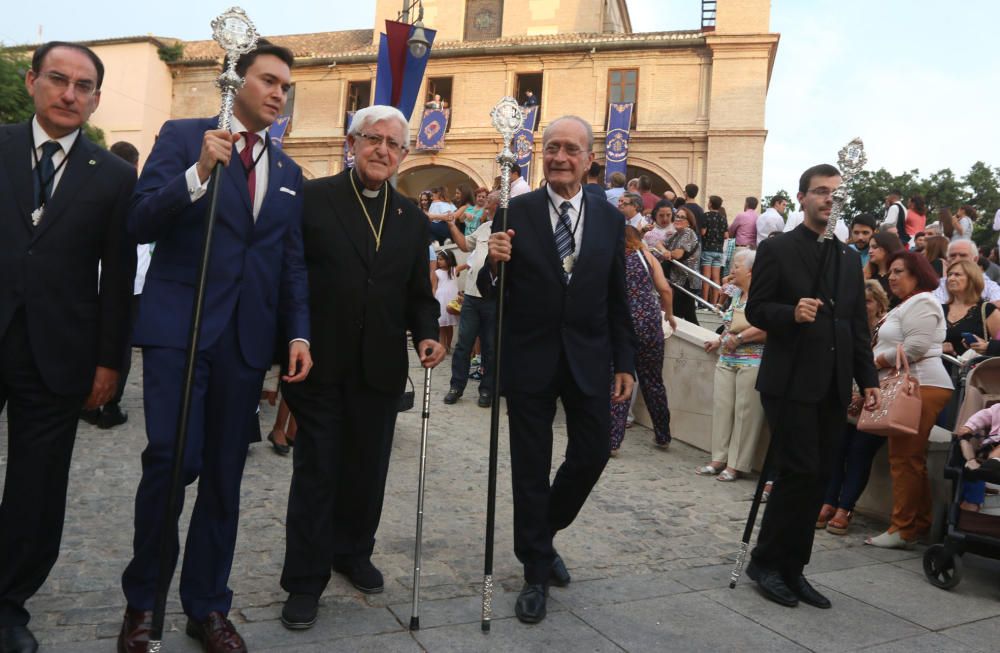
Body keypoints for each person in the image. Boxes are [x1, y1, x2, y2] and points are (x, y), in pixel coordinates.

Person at [118, 40, 311, 653]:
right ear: (238, 82)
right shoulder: (183, 137)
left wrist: (297, 332)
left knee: (225, 478)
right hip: (182, 329)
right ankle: (143, 604)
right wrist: (198, 173)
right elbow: (141, 220)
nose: (279, 93)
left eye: (286, 86)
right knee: (171, 463)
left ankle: (208, 605)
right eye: (269, 81)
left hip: (246, 344)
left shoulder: (287, 173)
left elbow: (290, 264)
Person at [278, 105, 444, 630]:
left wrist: (425, 337)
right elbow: (292, 276)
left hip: (379, 369)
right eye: (373, 139)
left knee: (367, 471)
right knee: (318, 472)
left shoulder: (412, 219)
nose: (382, 151)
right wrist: (291, 337)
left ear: (403, 155)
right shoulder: (314, 200)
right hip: (321, 364)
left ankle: (352, 551)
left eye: (394, 145)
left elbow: (419, 294)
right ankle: (305, 580)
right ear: (351, 143)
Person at [0, 41, 136, 653]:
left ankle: (8, 604)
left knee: (37, 487)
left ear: (96, 99)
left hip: (58, 355)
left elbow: (118, 277)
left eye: (84, 86)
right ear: (32, 82)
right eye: (58, 79)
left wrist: (110, 362)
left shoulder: (112, 175)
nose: (70, 93)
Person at [481, 115, 636, 625]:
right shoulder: (514, 210)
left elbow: (618, 297)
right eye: (552, 148)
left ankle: (541, 537)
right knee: (529, 467)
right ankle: (534, 572)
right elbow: (490, 288)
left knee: (592, 454)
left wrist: (625, 362)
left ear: (590, 158)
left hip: (589, 359)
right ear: (540, 154)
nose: (560, 157)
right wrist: (492, 262)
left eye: (571, 149)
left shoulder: (610, 219)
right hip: (529, 359)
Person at [744, 163, 880, 610]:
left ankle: (793, 568)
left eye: (834, 193)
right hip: (790, 381)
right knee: (797, 472)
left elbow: (856, 324)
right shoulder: (779, 249)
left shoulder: (846, 257)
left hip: (834, 383)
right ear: (802, 197)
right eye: (820, 191)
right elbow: (758, 308)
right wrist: (790, 313)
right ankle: (765, 563)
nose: (828, 199)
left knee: (819, 477)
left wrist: (869, 380)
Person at [865, 250, 953, 548]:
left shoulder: (924, 301)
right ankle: (920, 523)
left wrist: (877, 361)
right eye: (890, 271)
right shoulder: (909, 304)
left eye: (899, 271)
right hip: (915, 385)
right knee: (909, 459)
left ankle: (902, 529)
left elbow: (914, 349)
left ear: (917, 273)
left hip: (922, 386)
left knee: (904, 459)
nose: (891, 276)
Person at [816, 280, 890, 535]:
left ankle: (845, 508)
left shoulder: (887, 328)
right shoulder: (848, 326)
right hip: (846, 400)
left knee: (859, 453)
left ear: (880, 304)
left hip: (874, 401)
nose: (864, 307)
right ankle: (828, 501)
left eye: (869, 302)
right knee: (837, 451)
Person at [81, 140, 143, 430]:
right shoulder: (132, 189)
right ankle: (110, 403)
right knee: (120, 344)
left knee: (92, 337)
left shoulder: (94, 183)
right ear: (134, 165)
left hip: (92, 278)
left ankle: (88, 398)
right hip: (129, 283)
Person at [697, 249, 768, 482]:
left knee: (745, 414)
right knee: (723, 409)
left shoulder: (764, 295)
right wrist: (719, 340)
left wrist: (740, 338)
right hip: (727, 359)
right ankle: (718, 458)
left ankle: (736, 464)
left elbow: (769, 328)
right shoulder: (736, 294)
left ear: (750, 270)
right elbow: (729, 324)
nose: (732, 270)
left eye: (736, 266)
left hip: (752, 360)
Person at [610, 226, 676, 454]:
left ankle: (613, 440)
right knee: (653, 381)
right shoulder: (646, 256)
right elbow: (665, 290)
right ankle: (663, 435)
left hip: (622, 325)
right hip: (648, 324)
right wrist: (669, 314)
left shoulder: (611, 257)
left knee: (618, 379)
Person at [443, 192, 499, 407]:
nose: (485, 210)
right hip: (472, 298)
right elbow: (466, 246)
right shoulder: (484, 228)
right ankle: (456, 386)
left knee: (490, 347)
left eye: (488, 206)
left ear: (497, 206)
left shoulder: (510, 231)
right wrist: (451, 226)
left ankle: (486, 390)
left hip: (493, 300)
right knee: (463, 345)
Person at [651, 206, 701, 325]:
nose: (678, 219)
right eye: (677, 216)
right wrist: (664, 251)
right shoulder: (677, 234)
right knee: (687, 315)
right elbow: (658, 243)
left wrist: (668, 253)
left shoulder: (688, 232)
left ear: (689, 222)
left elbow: (678, 254)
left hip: (687, 280)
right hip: (678, 280)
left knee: (682, 314)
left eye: (682, 217)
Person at [941, 260, 1000, 357]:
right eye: (949, 275)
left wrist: (987, 346)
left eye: (957, 275)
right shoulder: (939, 309)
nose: (951, 278)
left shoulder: (987, 310)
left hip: (974, 370)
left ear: (972, 279)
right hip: (941, 369)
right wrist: (938, 348)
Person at [932, 240, 1000, 302]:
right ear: (947, 260)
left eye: (963, 255)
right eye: (952, 255)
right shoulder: (938, 286)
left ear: (975, 260)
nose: (957, 259)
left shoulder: (991, 287)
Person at [700, 195, 728, 305]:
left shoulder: (706, 216)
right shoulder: (723, 218)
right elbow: (726, 235)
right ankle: (714, 303)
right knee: (716, 278)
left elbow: (703, 232)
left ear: (710, 204)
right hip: (719, 251)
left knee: (706, 277)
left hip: (707, 249)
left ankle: (704, 302)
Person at [865, 231, 904, 305]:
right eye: (869, 247)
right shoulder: (869, 274)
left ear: (887, 247)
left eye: (875, 247)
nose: (870, 251)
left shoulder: (901, 274)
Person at [432, 249, 460, 352]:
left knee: (449, 325)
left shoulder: (454, 270)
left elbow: (468, 265)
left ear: (449, 260)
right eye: (438, 259)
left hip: (452, 300)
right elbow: (434, 287)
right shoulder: (436, 273)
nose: (439, 261)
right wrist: (433, 298)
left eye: (441, 259)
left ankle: (448, 345)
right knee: (442, 325)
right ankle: (442, 346)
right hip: (441, 300)